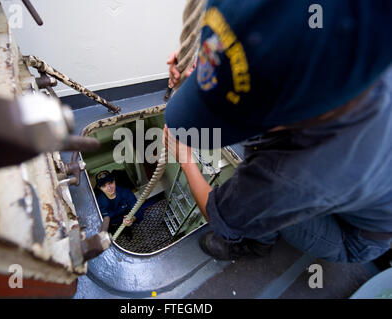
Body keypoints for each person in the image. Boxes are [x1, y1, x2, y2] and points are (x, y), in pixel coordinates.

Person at [163, 0, 392, 263]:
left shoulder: (288, 174)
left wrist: (186, 159)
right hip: (365, 194)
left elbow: (223, 214)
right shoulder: (364, 51)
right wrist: (210, 66)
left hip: (358, 236)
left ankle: (255, 245)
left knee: (262, 209)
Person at [95, 170, 144, 240]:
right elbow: (103, 218)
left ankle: (127, 232)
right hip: (110, 225)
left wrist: (133, 219)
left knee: (127, 230)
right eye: (104, 186)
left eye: (110, 183)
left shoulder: (125, 192)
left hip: (125, 221)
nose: (109, 187)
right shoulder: (99, 201)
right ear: (100, 188)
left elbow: (138, 209)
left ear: (114, 181)